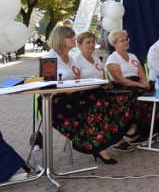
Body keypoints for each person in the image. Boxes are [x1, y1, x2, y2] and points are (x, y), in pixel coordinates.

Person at [42, 26, 134, 164]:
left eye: (73, 35)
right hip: (55, 100)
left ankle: (101, 143)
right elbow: (47, 86)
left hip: (74, 95)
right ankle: (97, 144)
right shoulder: (49, 57)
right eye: (70, 36)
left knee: (107, 99)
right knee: (100, 101)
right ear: (60, 39)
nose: (73, 38)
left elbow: (76, 80)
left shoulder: (70, 58)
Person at [105, 29, 155, 142]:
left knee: (153, 92)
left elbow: (141, 72)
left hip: (137, 83)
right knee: (136, 94)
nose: (126, 42)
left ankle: (149, 129)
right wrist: (139, 84)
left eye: (126, 39)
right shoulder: (113, 58)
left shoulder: (132, 56)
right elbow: (119, 79)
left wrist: (144, 81)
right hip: (122, 86)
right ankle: (136, 132)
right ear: (114, 44)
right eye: (122, 40)